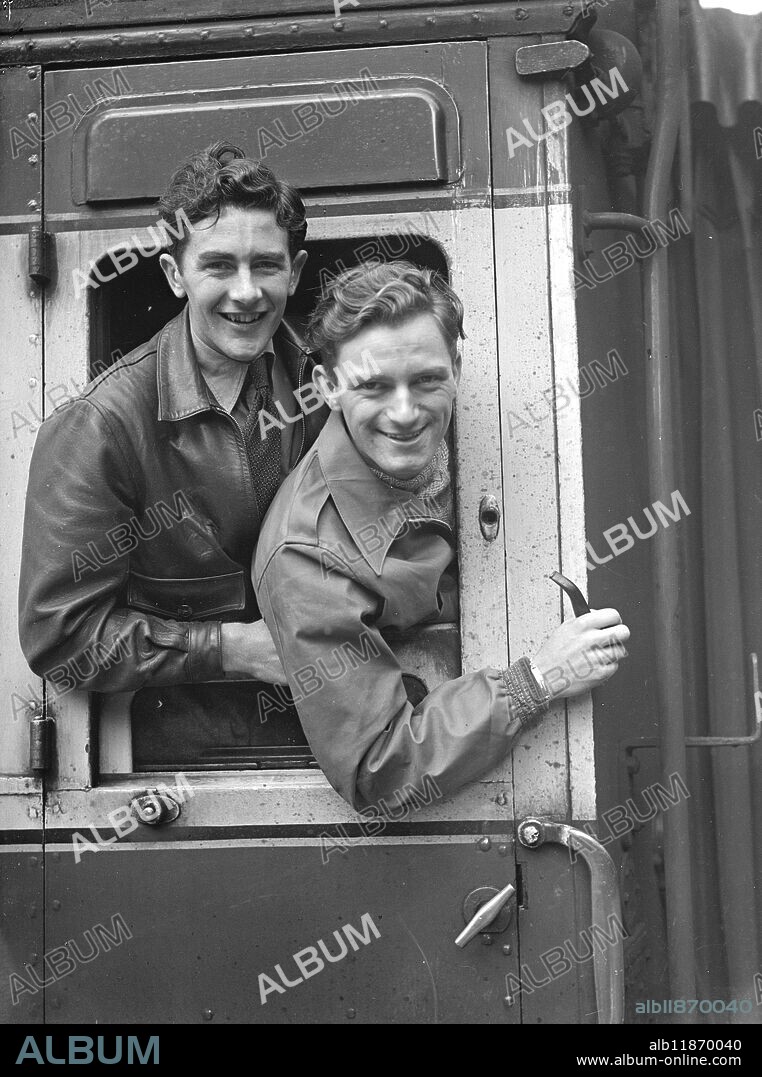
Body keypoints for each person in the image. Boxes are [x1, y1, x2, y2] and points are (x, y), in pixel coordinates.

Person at [254, 262, 630, 809]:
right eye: (374, 386)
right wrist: (536, 680)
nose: (405, 413)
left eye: (427, 380)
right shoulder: (306, 553)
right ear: (329, 388)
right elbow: (379, 768)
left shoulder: (481, 439)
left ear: (456, 364)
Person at [18, 142, 328, 760]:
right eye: (218, 266)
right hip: (185, 756)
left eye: (266, 265)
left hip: (337, 726)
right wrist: (237, 648)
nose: (247, 293)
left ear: (294, 272)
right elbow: (60, 636)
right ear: (175, 275)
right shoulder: (101, 426)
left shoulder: (331, 383)